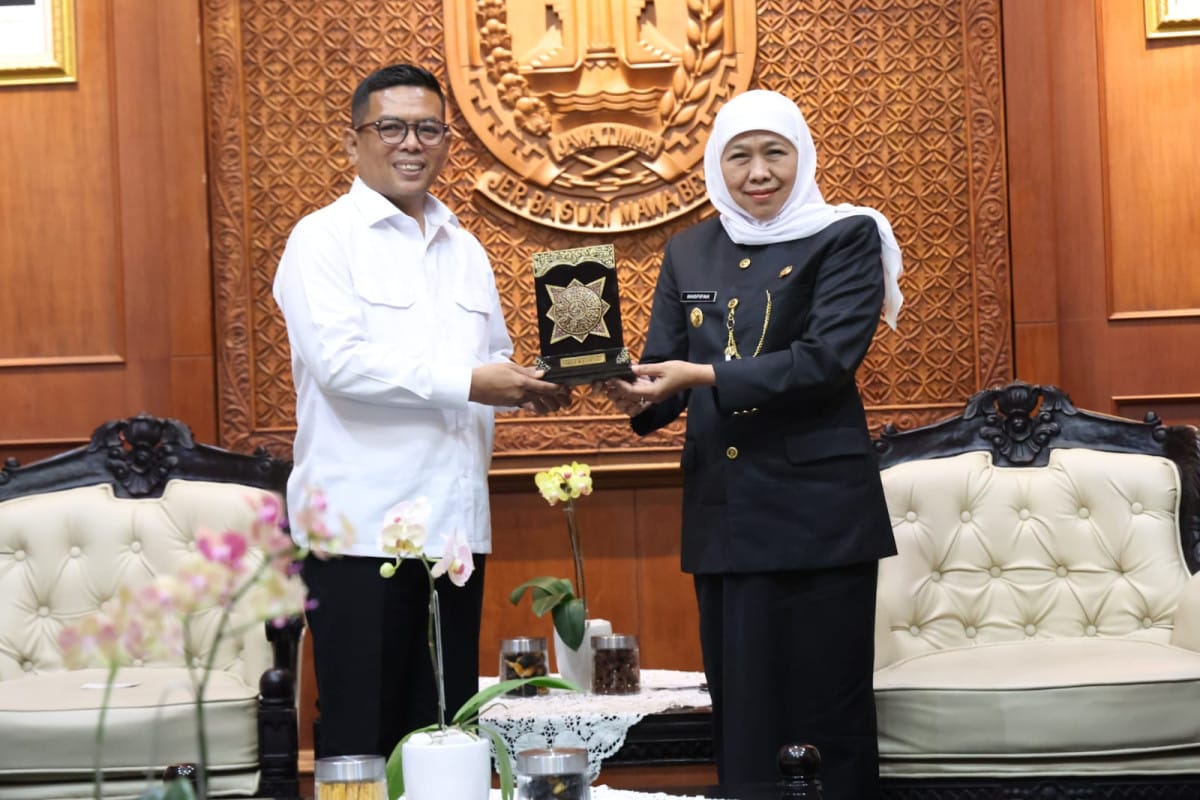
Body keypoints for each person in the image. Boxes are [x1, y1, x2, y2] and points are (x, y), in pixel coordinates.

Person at [598, 89, 903, 798]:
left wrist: (701, 373)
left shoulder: (848, 234)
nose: (757, 171)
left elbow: (826, 360)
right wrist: (632, 392)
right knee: (744, 709)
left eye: (775, 153)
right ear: (715, 164)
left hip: (821, 515)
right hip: (727, 513)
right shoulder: (689, 249)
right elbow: (664, 362)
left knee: (829, 709)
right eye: (739, 156)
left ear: (803, 157)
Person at [273, 63, 571, 759]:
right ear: (354, 142)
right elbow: (341, 365)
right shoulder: (323, 239)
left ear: (445, 142)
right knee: (364, 739)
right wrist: (473, 381)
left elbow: (490, 358)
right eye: (392, 127)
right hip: (360, 535)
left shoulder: (464, 249)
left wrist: (532, 383)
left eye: (429, 129)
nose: (412, 143)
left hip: (454, 535)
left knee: (446, 738)